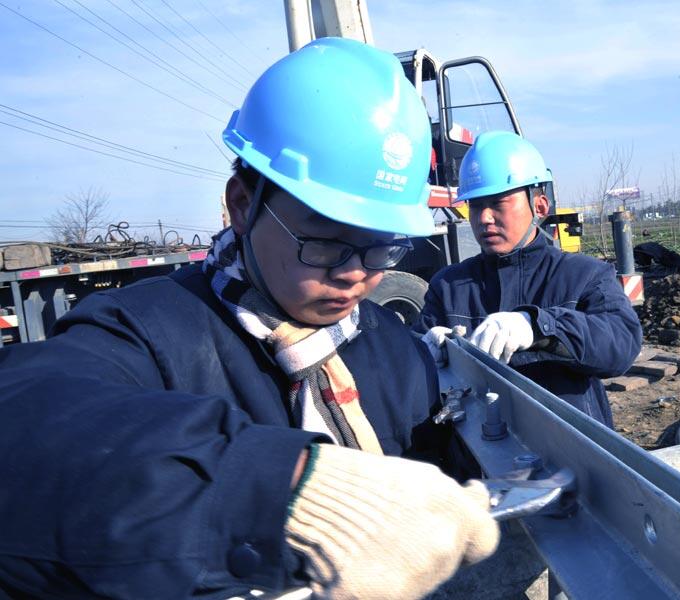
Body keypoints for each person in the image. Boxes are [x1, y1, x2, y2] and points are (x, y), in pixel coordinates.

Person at [0, 38, 498, 599]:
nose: (356, 275)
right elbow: (24, 421)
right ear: (242, 204)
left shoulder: (392, 350)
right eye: (327, 242)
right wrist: (278, 487)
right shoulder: (148, 333)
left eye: (383, 247)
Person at [415, 131, 642, 426]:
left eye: (498, 203)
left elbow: (621, 345)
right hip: (477, 445)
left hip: (567, 443)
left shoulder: (585, 275)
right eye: (476, 205)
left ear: (540, 206)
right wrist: (421, 352)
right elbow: (411, 369)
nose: (484, 218)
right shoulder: (448, 286)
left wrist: (538, 327)